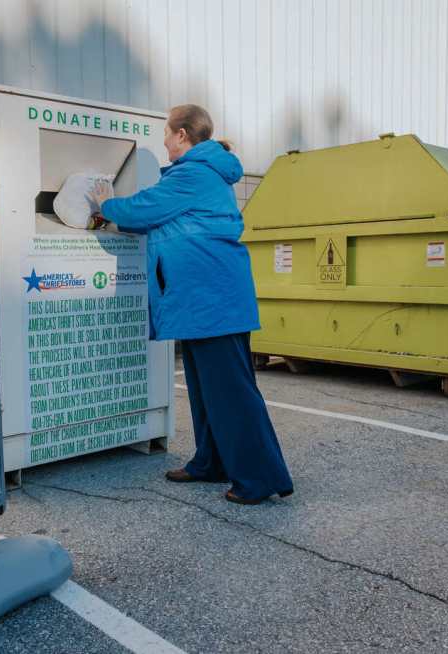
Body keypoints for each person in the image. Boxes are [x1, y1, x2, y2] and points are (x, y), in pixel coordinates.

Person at [90, 104, 293, 505]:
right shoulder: (201, 174)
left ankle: (258, 479)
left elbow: (143, 209)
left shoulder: (194, 173)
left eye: (166, 133)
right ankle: (211, 462)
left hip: (212, 302)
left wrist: (104, 203)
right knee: (206, 391)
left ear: (182, 135)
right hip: (204, 302)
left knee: (232, 395)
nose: (164, 141)